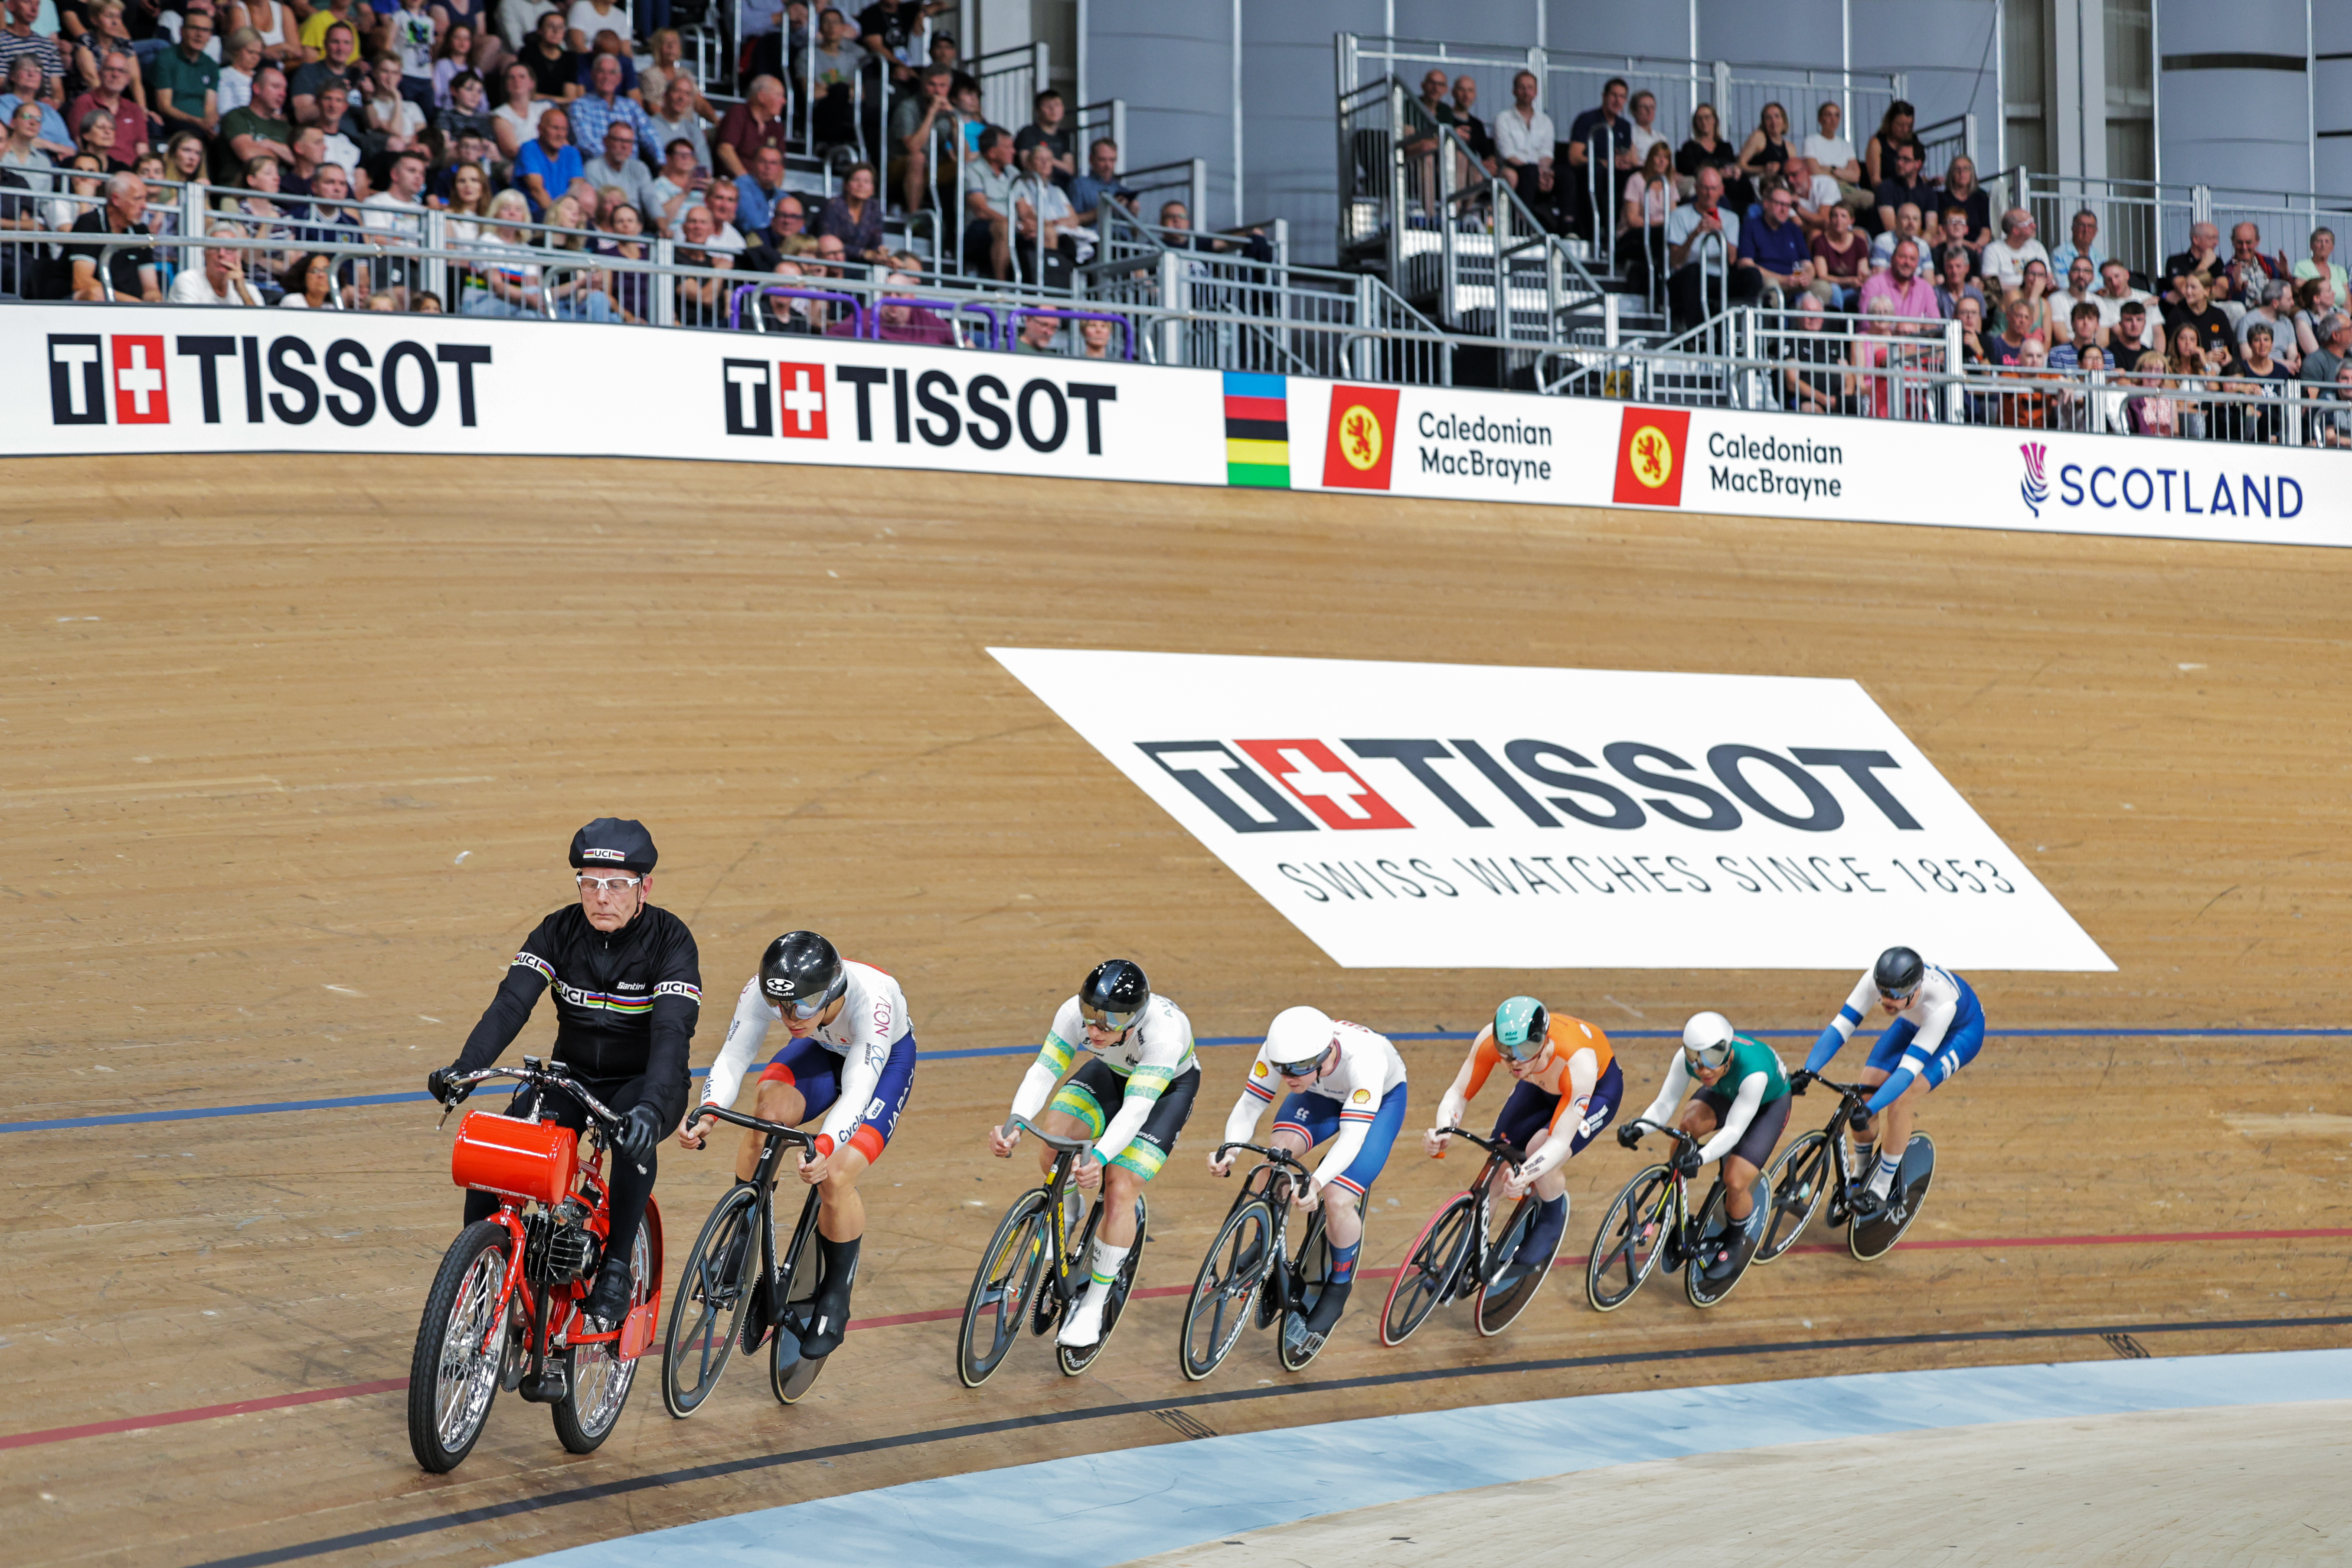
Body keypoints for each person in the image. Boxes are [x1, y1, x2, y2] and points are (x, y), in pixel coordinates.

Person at [427, 819, 700, 1332]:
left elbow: (671, 1035)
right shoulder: (558, 930)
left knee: (633, 1140)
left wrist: (653, 1107)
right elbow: (511, 1004)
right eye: (590, 882)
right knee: (499, 1154)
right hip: (573, 1076)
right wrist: (466, 1068)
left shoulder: (671, 942)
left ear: (645, 887)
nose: (602, 897)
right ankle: (480, 1276)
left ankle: (617, 1265)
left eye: (617, 885)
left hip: (644, 1083)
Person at [685, 930, 915, 1362]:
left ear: (832, 992)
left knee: (836, 1176)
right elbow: (734, 1056)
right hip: (822, 1048)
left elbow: (858, 1093)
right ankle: (741, 1236)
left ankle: (836, 1294)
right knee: (767, 1116)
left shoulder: (874, 1003)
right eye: (781, 1006)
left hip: (882, 1065)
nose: (791, 1016)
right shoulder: (769, 993)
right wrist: (709, 1110)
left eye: (804, 1005)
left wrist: (825, 1145)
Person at [987, 960, 1197, 1349]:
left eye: (1108, 1026)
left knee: (1119, 1188)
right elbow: (1044, 1071)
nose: (1094, 1032)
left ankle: (1092, 1308)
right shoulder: (1074, 1013)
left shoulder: (1165, 1035)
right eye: (1090, 1021)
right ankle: (1066, 1211)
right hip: (1110, 1075)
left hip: (1165, 1092)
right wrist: (1015, 1122)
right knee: (1054, 1144)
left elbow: (1137, 1109)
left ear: (1134, 1021)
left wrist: (1099, 1159)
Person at [1209, 1006, 1408, 1363]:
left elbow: (1352, 1137)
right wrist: (1232, 1149)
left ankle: (1338, 1285)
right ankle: (1264, 1243)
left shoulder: (1365, 1061)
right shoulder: (1284, 1055)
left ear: (1325, 1054)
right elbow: (1251, 1102)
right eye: (1283, 1069)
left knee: (1338, 1196)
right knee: (1277, 1162)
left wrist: (1316, 1182)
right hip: (1320, 1095)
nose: (1288, 1076)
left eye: (1298, 1069)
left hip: (1379, 1102)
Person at [1424, 997, 1620, 1293]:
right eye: (1506, 1052)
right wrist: (1443, 1129)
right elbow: (1458, 1093)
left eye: (1525, 1051)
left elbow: (1558, 1141)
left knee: (1540, 1149)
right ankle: (1464, 1254)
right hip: (1541, 1084)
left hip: (1595, 1091)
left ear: (1543, 1041)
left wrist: (1527, 1174)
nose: (1514, 1061)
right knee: (1500, 1156)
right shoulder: (1494, 1043)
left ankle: (1552, 1217)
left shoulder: (1578, 1060)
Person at [1796, 946, 1985, 1220]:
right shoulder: (1883, 983)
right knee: (1865, 1089)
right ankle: (1859, 1174)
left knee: (1902, 1096)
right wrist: (1809, 1070)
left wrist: (1871, 1112)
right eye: (1883, 992)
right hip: (1914, 1021)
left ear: (1915, 990)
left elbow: (1907, 1072)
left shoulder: (1941, 1005)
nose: (1887, 1000)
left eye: (1895, 996)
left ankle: (1882, 1188)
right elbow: (1842, 1026)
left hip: (1960, 1032)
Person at [1620, 1012, 1792, 1278]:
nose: (1703, 1070)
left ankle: (1736, 1239)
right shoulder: (1693, 1061)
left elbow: (1735, 1130)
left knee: (1735, 1180)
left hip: (1767, 1104)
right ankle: (1674, 1195)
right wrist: (1640, 1127)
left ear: (1728, 1053)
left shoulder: (1754, 1072)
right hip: (1727, 1090)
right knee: (1688, 1125)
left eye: (1712, 1060)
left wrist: (1701, 1158)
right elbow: (1665, 1103)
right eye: (1696, 1060)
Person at [1663, 163, 1751, 326]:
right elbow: (1675, 261)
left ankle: (1742, 328)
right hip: (1688, 278)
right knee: (1694, 271)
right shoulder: (1679, 215)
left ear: (1721, 191)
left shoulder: (1731, 219)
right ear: (1696, 189)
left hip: (1718, 279)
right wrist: (1695, 234)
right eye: (1705, 188)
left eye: (1714, 189)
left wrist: (1720, 232)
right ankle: (1697, 333)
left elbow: (1732, 260)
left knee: (1752, 276)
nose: (1709, 194)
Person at [66, 167, 158, 297]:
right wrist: (133, 304)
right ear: (116, 200)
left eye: (145, 199)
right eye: (138, 199)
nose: (145, 206)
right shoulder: (89, 224)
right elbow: (82, 282)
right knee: (95, 294)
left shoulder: (141, 231)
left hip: (128, 307)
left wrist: (154, 302)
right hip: (80, 307)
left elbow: (151, 288)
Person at [1562, 75, 1633, 240]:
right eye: (1614, 95)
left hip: (1616, 177)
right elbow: (1574, 157)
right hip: (1590, 174)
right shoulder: (1587, 120)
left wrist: (1626, 162)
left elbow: (1628, 156)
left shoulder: (1625, 127)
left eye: (1622, 97)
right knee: (1600, 172)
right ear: (1604, 96)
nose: (1618, 101)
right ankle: (1598, 230)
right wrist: (1606, 163)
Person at [147, 3, 219, 139]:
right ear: (182, 31)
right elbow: (165, 107)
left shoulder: (211, 66)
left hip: (202, 126)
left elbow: (210, 108)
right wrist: (197, 122)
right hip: (176, 123)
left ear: (210, 35)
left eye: (205, 30)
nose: (199, 35)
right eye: (194, 28)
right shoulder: (166, 58)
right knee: (194, 135)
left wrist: (209, 125)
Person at [1492, 69, 1553, 227]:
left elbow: (1547, 152)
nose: (1526, 92)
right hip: (1513, 167)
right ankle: (1522, 223)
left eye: (1530, 87)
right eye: (1522, 87)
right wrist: (1535, 170)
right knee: (1529, 172)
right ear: (1514, 91)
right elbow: (1507, 153)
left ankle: (1568, 228)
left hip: (1538, 170)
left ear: (1536, 92)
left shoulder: (1545, 121)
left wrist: (1544, 172)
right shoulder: (1503, 118)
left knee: (1566, 176)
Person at [1737, 176, 1812, 305]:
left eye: (1788, 206)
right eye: (1780, 204)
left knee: (1824, 288)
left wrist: (1805, 277)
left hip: (1794, 281)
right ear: (1766, 204)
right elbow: (1745, 264)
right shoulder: (1751, 227)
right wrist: (1783, 279)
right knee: (1773, 288)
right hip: (1769, 280)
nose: (1784, 210)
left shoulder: (1794, 229)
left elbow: (1806, 264)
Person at [567, 49, 650, 159]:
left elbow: (651, 136)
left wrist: (663, 164)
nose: (607, 77)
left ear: (620, 79)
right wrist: (613, 162)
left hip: (631, 169)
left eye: (612, 72)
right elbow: (585, 143)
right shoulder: (580, 106)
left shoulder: (632, 106)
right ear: (593, 75)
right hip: (597, 168)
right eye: (601, 72)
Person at [959, 118, 1013, 278]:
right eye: (1008, 147)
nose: (1014, 151)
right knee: (1004, 227)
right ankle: (1002, 288)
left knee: (1047, 231)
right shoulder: (972, 170)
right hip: (979, 228)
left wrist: (1031, 223)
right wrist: (1014, 224)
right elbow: (981, 210)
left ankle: (1044, 293)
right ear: (992, 152)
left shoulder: (1014, 173)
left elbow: (1024, 207)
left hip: (1015, 226)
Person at [713, 71, 786, 180]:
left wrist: (773, 193)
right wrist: (747, 182)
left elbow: (780, 166)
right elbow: (725, 150)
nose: (784, 101)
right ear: (762, 96)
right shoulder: (738, 114)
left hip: (762, 188)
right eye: (779, 95)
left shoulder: (777, 127)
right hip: (733, 184)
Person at [167, 218, 261, 301]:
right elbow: (191, 320)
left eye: (229, 249)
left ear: (239, 256)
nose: (221, 254)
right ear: (204, 253)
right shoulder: (188, 281)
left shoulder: (249, 290)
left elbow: (261, 321)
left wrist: (243, 293)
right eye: (215, 248)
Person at [512, 98, 577, 215]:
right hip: (536, 216)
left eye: (564, 129)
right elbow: (537, 190)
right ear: (540, 129)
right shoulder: (529, 149)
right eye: (555, 128)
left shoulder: (572, 153)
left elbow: (578, 190)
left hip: (565, 217)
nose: (560, 134)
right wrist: (557, 220)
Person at [1803, 98, 1868, 212]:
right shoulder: (1811, 141)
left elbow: (1856, 176)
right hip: (1824, 189)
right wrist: (1844, 173)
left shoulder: (1846, 145)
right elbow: (1814, 171)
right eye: (1829, 115)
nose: (1833, 120)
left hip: (1846, 188)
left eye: (1837, 116)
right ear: (1820, 119)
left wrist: (1831, 169)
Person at [1676, 101, 1742, 209]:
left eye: (1707, 118)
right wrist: (1718, 173)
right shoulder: (1689, 147)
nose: (1704, 122)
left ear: (1715, 121)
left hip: (1727, 188)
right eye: (1699, 119)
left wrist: (1735, 170)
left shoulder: (1726, 147)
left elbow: (1730, 164)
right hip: (1702, 189)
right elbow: (1690, 170)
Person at [816, 157, 884, 261]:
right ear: (846, 185)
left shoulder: (874, 208)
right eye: (856, 180)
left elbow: (876, 243)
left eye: (867, 182)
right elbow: (828, 242)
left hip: (864, 263)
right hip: (834, 260)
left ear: (873, 189)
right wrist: (862, 253)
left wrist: (880, 252)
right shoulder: (833, 206)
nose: (861, 185)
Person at [1870, 140, 1934, 239]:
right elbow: (1892, 228)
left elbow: (1931, 230)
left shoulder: (1928, 192)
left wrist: (1920, 244)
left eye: (1906, 160)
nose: (1900, 163)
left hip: (1919, 245)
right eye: (1898, 158)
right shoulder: (1886, 187)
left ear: (1918, 164)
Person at [2165, 270, 2232, 363]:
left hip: (2215, 365)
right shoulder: (2176, 315)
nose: (2188, 292)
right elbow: (2173, 353)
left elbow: (2225, 346)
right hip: (2188, 366)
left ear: (2207, 291)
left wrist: (2226, 355)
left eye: (2193, 288)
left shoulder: (2218, 315)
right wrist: (2204, 359)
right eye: (2187, 287)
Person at [1066, 134, 1132, 226]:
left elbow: (1135, 234)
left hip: (1123, 240)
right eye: (1102, 160)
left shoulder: (1123, 190)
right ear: (1091, 160)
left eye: (1112, 160)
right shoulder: (1080, 185)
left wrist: (1133, 213)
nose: (1108, 165)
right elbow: (1074, 220)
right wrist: (1106, 209)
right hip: (1095, 239)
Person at [1013, 85, 1071, 186]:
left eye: (1057, 105)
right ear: (1038, 110)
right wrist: (1053, 162)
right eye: (1048, 106)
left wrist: (1045, 159)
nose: (1053, 109)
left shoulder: (1063, 136)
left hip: (1060, 186)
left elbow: (1070, 169)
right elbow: (1027, 164)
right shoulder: (1028, 133)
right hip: (1032, 185)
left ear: (1063, 108)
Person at [2161, 220, 2226, 307]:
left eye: (2217, 238)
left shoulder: (2217, 262)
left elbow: (2224, 292)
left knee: (2236, 308)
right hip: (2186, 311)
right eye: (2211, 238)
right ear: (2196, 239)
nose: (2216, 243)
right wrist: (2204, 265)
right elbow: (2184, 290)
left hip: (2214, 308)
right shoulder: (2176, 261)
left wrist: (2190, 294)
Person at [1861, 98, 1919, 187]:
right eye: (1900, 125)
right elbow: (1875, 181)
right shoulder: (1877, 143)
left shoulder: (1913, 141)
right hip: (1887, 193)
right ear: (1890, 122)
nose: (1905, 130)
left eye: (1909, 126)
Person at [2290, 227, 2347, 304]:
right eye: (2319, 241)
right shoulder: (2302, 267)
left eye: (2327, 242)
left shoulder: (2340, 271)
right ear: (2311, 246)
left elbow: (2348, 303)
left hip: (2341, 314)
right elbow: (2303, 299)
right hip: (2315, 314)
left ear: (2333, 247)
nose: (2323, 245)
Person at [1932, 237, 1984, 320]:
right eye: (1950, 267)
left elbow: (1980, 324)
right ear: (1945, 269)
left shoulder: (1976, 295)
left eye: (1958, 266)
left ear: (1967, 268)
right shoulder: (1935, 295)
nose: (1954, 271)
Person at [2047, 207, 2104, 281]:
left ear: (2096, 231)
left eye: (2090, 226)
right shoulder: (2059, 255)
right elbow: (2063, 284)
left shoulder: (2100, 258)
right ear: (2073, 228)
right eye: (2082, 226)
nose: (2086, 230)